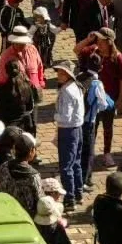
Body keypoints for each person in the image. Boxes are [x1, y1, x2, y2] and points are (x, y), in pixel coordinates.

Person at [53, 61, 86, 208]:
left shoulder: (66, 91)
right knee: (76, 163)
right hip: (77, 129)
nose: (59, 75)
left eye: (62, 73)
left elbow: (65, 116)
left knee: (66, 166)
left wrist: (56, 116)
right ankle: (78, 193)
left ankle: (70, 198)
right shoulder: (76, 87)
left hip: (67, 130)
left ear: (68, 75)